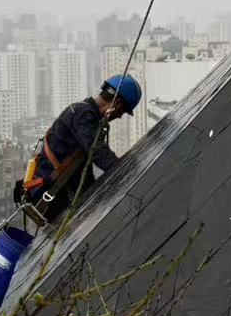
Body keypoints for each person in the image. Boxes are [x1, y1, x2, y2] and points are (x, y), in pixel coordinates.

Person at [16, 74, 142, 225]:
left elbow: (85, 171)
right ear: (118, 103)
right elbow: (100, 154)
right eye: (122, 112)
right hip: (51, 199)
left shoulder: (87, 117)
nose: (120, 117)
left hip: (56, 198)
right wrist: (133, 171)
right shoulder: (83, 116)